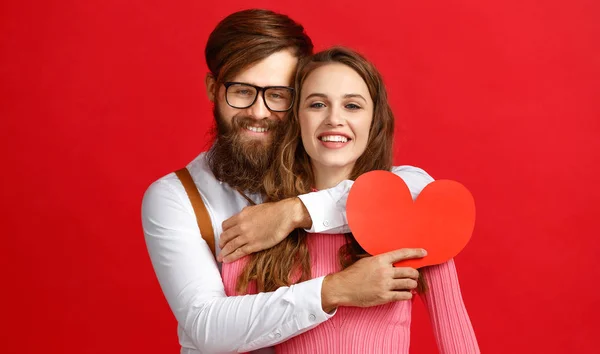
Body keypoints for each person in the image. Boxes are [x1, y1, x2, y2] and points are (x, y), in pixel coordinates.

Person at [142, 9, 431, 354]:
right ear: (213, 90)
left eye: (278, 95)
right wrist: (333, 290)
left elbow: (417, 189)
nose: (259, 112)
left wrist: (295, 211)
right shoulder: (175, 196)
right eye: (242, 91)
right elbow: (207, 326)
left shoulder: (318, 165)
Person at [222, 47, 480, 353]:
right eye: (317, 104)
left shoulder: (412, 217)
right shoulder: (261, 225)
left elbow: (456, 336)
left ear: (374, 121)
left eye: (352, 106)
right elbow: (239, 338)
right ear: (296, 119)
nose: (334, 119)